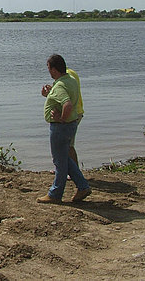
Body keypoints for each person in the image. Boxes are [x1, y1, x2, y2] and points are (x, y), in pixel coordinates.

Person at [37, 54, 91, 204]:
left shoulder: (60, 85)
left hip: (61, 127)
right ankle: (83, 186)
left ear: (54, 69)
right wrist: (49, 95)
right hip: (71, 124)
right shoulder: (70, 80)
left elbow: (67, 104)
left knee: (59, 161)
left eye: (48, 68)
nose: (48, 70)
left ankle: (55, 194)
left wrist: (61, 118)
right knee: (64, 158)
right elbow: (64, 99)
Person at [42, 68, 84, 167]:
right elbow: (63, 94)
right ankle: (65, 170)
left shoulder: (68, 76)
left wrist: (62, 119)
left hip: (72, 114)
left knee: (68, 146)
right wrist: (50, 93)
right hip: (74, 112)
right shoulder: (69, 76)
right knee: (65, 146)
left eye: (50, 69)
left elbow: (67, 99)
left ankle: (74, 171)